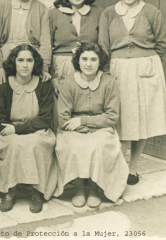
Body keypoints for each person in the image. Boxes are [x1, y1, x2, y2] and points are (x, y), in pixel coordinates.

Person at [99, 0, 166, 185]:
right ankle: (120, 163)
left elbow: (163, 43)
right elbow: (103, 45)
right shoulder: (109, 14)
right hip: (117, 69)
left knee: (141, 118)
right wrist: (105, 71)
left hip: (145, 70)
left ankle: (134, 168)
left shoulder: (151, 12)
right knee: (120, 117)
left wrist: (147, 61)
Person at [54, 43, 128, 208]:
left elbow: (112, 116)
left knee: (98, 145)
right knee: (75, 144)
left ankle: (94, 189)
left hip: (100, 127)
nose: (88, 64)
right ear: (78, 61)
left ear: (100, 61)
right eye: (84, 59)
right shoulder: (68, 82)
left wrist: (84, 122)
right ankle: (79, 189)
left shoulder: (109, 82)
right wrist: (82, 127)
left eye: (93, 59)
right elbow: (63, 118)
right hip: (72, 128)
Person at [0, 44, 57, 213]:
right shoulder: (4, 84)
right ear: (14, 62)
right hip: (9, 131)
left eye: (29, 60)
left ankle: (37, 192)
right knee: (14, 145)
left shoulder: (43, 84)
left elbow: (46, 118)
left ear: (36, 63)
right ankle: (10, 191)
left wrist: (18, 129)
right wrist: (14, 130)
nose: (25, 65)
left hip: (37, 130)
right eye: (20, 60)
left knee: (36, 143)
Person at [49, 0, 101, 95]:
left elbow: (103, 45)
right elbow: (46, 47)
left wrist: (99, 72)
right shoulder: (53, 14)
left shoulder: (97, 13)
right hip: (61, 69)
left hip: (90, 68)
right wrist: (53, 77)